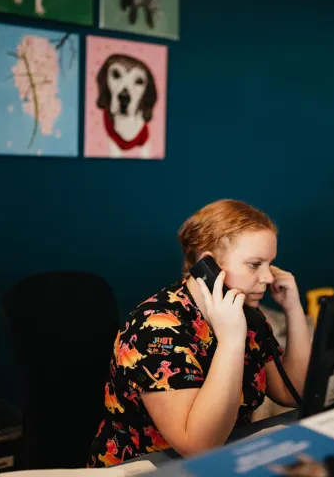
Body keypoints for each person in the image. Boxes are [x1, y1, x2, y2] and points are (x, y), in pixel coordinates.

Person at [87, 199, 311, 468]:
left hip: (227, 459)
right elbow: (199, 445)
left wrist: (293, 308)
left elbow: (291, 392)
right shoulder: (156, 328)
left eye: (269, 264)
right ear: (209, 265)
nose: (268, 277)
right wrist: (231, 340)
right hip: (149, 468)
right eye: (254, 264)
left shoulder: (245, 312)